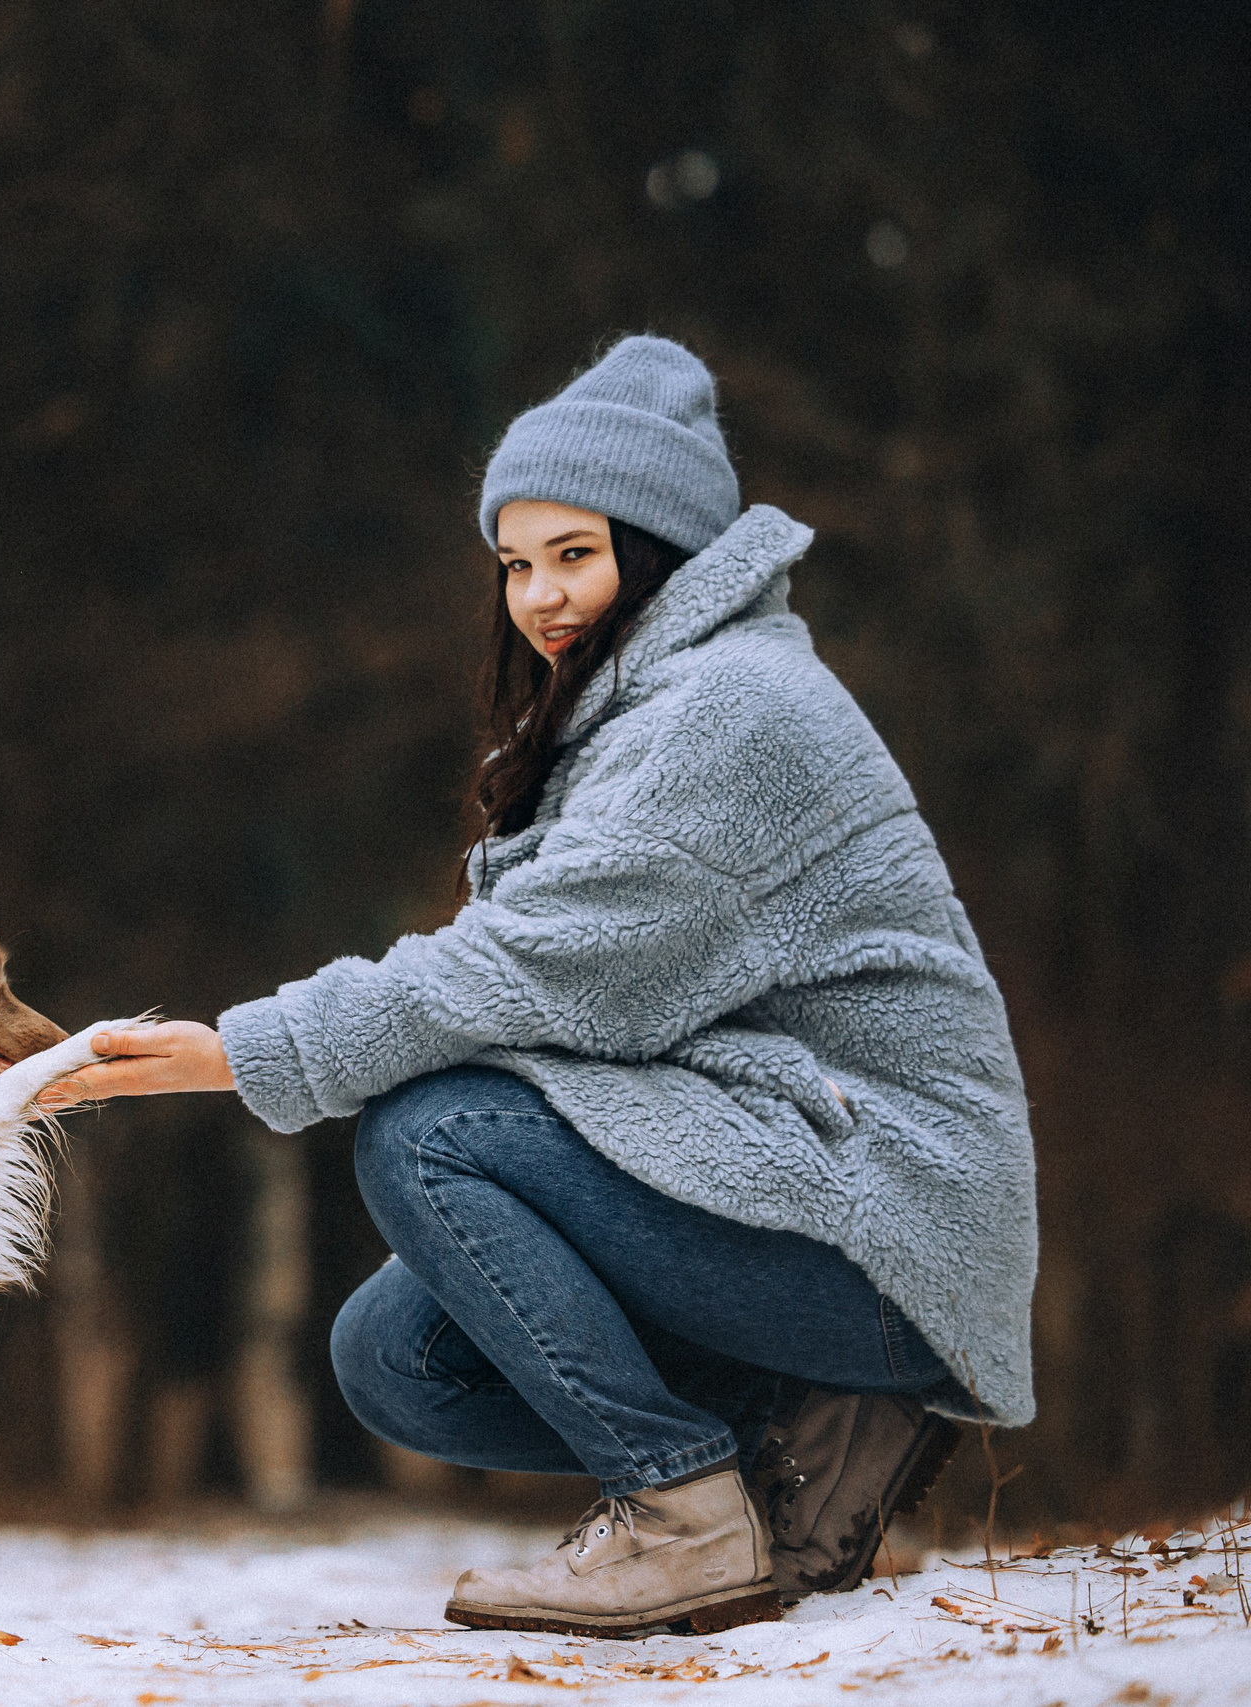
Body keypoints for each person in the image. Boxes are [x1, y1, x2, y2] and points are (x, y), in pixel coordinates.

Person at [64, 335, 1036, 1638]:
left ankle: (684, 1515)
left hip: (890, 1223)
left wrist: (242, 1052)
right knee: (393, 1357)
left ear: (660, 546)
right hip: (795, 1193)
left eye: (574, 554)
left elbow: (524, 968)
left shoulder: (731, 712)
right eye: (515, 564)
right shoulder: (645, 710)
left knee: (430, 1131)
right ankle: (810, 1432)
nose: (539, 596)